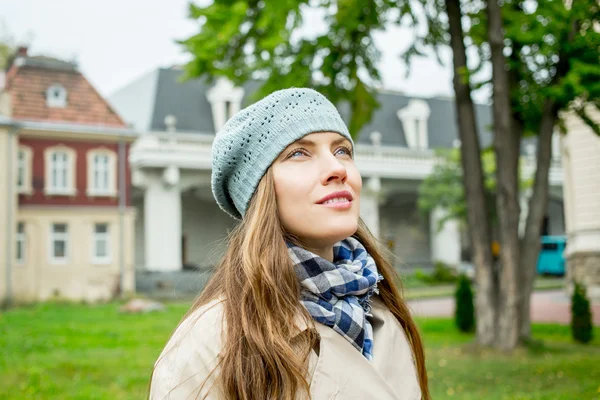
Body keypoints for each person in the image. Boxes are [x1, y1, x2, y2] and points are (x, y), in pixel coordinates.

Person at [149, 88, 430, 400]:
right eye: (299, 153)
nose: (337, 169)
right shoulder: (211, 343)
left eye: (342, 151)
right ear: (260, 193)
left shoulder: (382, 312)